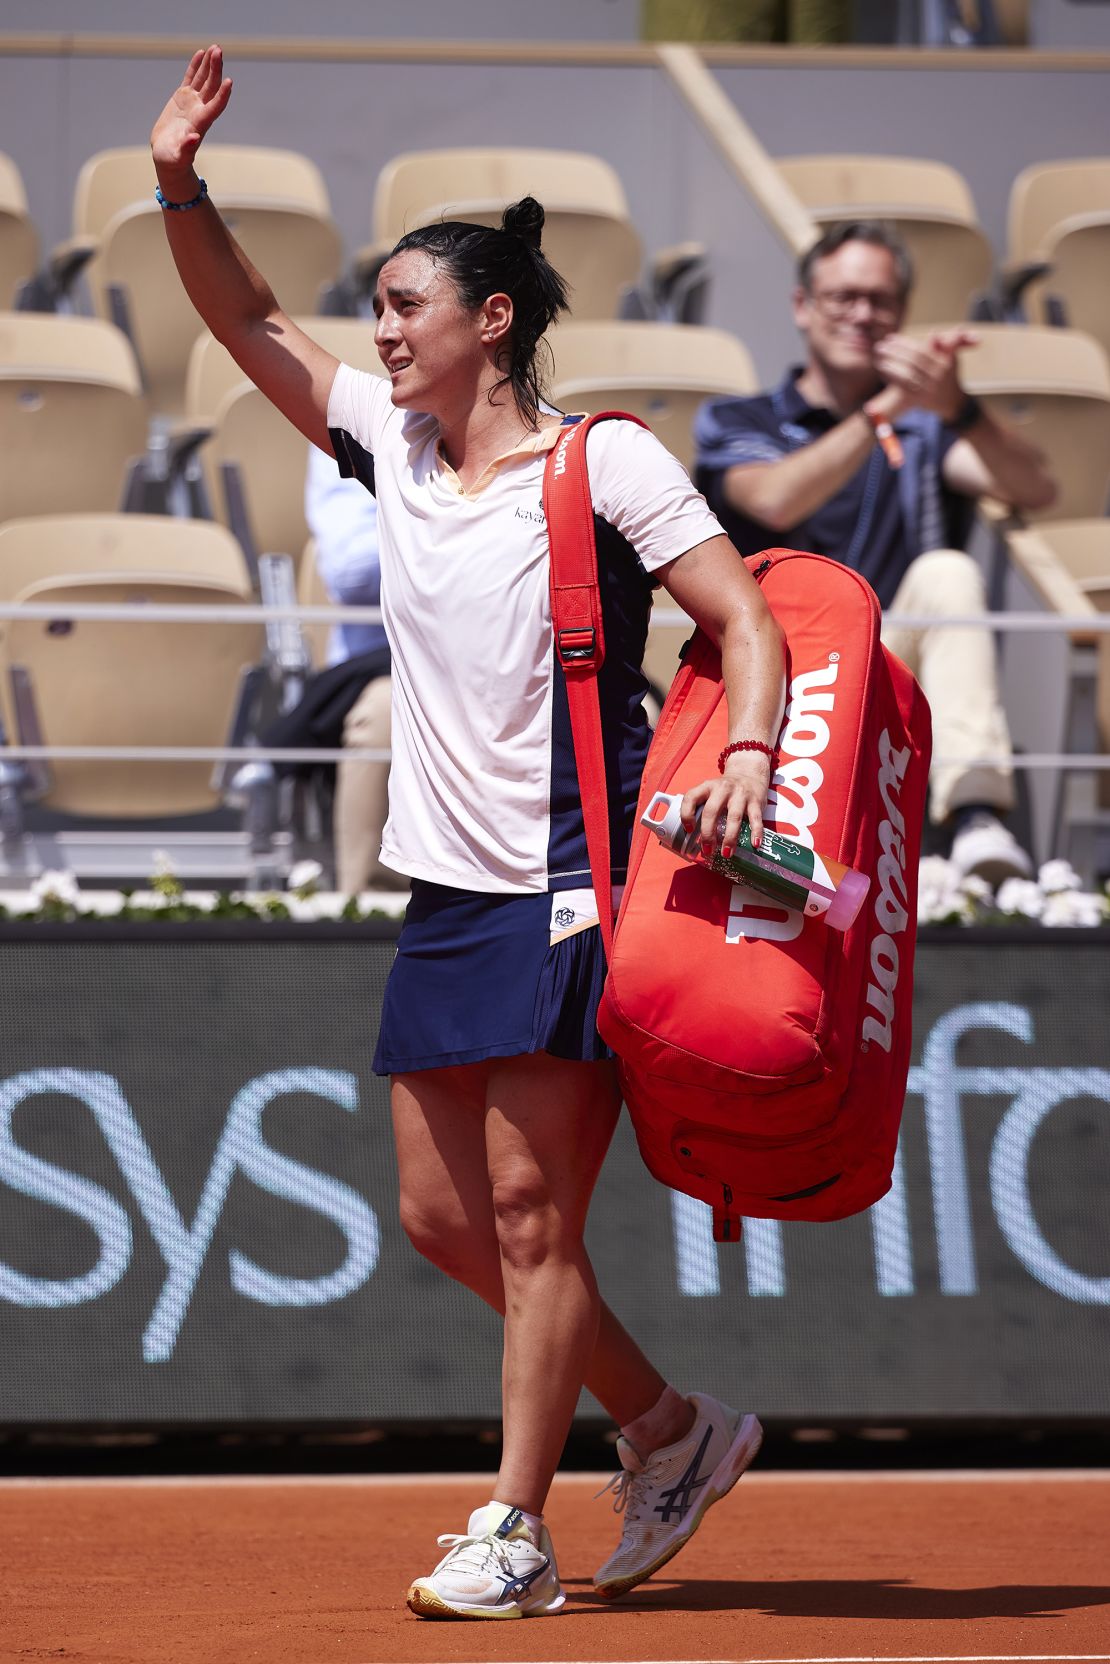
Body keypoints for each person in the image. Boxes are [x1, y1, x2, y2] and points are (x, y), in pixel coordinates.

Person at [152, 47, 784, 1620]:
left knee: (527, 1211)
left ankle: (513, 1525)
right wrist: (179, 181)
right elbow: (245, 320)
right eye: (375, 309)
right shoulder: (392, 448)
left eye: (404, 307)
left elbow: (744, 617)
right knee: (445, 1223)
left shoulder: (604, 461)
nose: (379, 329)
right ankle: (665, 1427)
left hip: (578, 875)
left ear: (489, 323)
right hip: (447, 888)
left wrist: (755, 749)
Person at [694, 220, 1058, 886]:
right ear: (803, 306)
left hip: (885, 662)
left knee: (948, 571)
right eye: (843, 297)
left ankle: (977, 817)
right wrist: (888, 411)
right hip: (775, 663)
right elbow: (775, 500)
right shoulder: (737, 419)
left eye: (881, 301)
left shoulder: (925, 428)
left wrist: (959, 408)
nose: (863, 314)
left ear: (902, 314)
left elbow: (1035, 486)